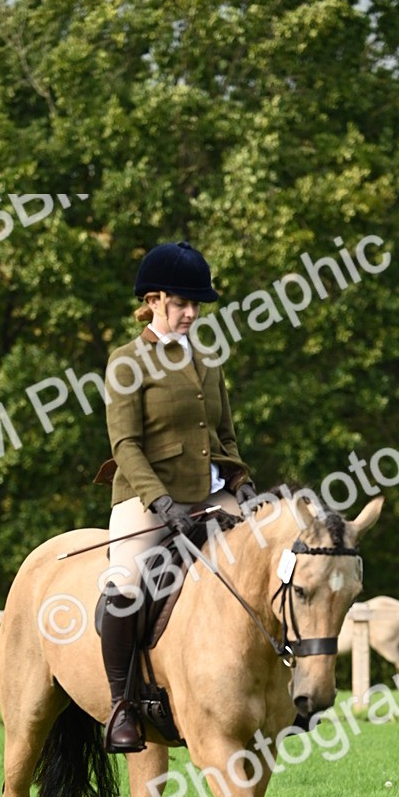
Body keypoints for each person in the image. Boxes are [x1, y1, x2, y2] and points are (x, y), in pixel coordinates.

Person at [96, 240, 256, 752]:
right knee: (124, 584)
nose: (192, 313)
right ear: (154, 299)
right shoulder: (127, 362)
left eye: (197, 305)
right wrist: (161, 503)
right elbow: (125, 446)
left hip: (211, 497)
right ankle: (121, 705)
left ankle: (280, 690)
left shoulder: (208, 363)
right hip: (146, 499)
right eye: (183, 304)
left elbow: (224, 437)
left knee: (269, 563)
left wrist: (241, 482)